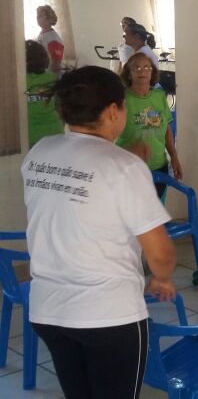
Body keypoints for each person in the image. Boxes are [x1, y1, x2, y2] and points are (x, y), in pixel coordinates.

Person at [21, 65, 176, 399]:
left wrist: (122, 160)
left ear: (63, 109)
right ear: (112, 112)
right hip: (108, 316)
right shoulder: (123, 167)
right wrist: (162, 279)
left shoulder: (39, 152)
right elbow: (161, 253)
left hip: (48, 312)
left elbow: (76, 199)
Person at [115, 53, 182, 198]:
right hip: (131, 165)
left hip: (159, 165)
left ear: (152, 72)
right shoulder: (122, 98)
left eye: (147, 67)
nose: (142, 71)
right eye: (137, 68)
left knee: (155, 209)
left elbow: (167, 130)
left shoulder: (159, 96)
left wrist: (174, 157)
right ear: (129, 73)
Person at [25, 40, 64, 146]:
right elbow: (59, 107)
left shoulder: (20, 82)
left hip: (31, 135)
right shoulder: (52, 77)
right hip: (55, 132)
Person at [35, 4, 65, 74]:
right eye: (37, 16)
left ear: (48, 18)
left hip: (52, 77)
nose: (37, 18)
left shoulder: (53, 38)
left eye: (40, 16)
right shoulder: (41, 34)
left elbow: (56, 64)